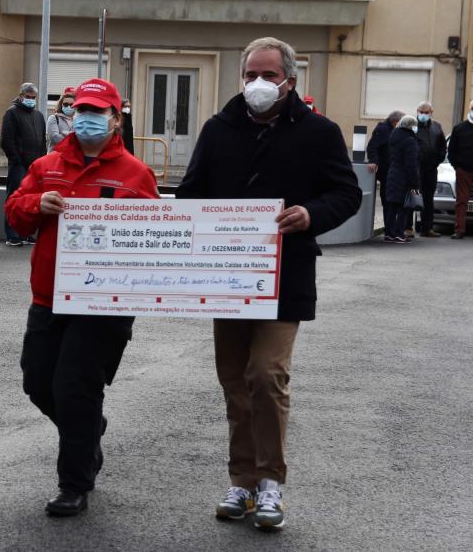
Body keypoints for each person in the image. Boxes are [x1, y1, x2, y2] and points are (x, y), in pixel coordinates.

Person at [175, 37, 361, 530]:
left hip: (287, 276)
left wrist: (310, 215)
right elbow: (192, 194)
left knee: (266, 375)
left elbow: (346, 193)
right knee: (235, 382)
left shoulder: (320, 132)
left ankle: (271, 483)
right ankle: (242, 481)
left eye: (269, 76)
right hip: (226, 278)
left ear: (290, 81)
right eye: (251, 74)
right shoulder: (218, 129)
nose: (258, 84)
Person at [5, 78, 159, 517]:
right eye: (80, 109)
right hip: (49, 296)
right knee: (38, 382)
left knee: (75, 389)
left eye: (97, 111)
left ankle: (74, 483)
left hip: (103, 306)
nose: (86, 117)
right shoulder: (48, 165)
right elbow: (15, 218)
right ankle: (88, 432)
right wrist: (37, 204)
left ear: (116, 119)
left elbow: (156, 239)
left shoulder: (136, 175)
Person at [1, 82, 46, 246]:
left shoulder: (39, 116)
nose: (31, 100)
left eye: (33, 98)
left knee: (30, 200)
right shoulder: (11, 113)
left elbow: (42, 141)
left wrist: (42, 161)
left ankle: (25, 233)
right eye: (28, 97)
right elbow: (6, 139)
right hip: (19, 165)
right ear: (21, 96)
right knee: (15, 198)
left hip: (34, 165)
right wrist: (16, 159)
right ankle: (12, 234)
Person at [385, 115, 421, 243]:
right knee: (403, 207)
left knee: (392, 206)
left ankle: (389, 233)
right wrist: (415, 183)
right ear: (411, 126)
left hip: (393, 173)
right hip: (403, 177)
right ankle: (400, 233)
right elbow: (411, 164)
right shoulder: (410, 141)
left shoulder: (394, 136)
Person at [366, 110, 404, 232]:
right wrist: (373, 161)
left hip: (395, 170)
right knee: (389, 200)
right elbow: (372, 146)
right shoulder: (383, 129)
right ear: (395, 121)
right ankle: (390, 229)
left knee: (395, 200)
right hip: (386, 171)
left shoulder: (397, 130)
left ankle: (394, 228)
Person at [413, 101, 446, 237]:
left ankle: (428, 228)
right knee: (412, 197)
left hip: (431, 168)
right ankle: (408, 227)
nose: (423, 114)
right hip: (416, 168)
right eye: (421, 111)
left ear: (431, 112)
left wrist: (438, 159)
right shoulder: (412, 126)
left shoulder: (437, 127)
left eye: (426, 112)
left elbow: (442, 146)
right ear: (417, 111)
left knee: (428, 199)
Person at [447, 100, 473, 239]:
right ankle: (459, 230)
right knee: (461, 201)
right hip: (464, 170)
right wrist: (457, 166)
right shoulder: (459, 128)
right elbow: (451, 150)